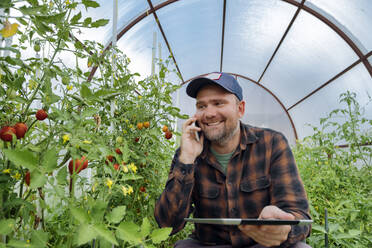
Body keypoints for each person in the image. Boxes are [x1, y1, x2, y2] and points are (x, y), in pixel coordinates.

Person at [154, 72, 311, 248]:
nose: (209, 113)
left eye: (218, 103)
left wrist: (283, 228)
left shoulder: (271, 144)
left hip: (262, 245)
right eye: (202, 106)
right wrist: (186, 160)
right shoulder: (187, 153)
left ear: (240, 109)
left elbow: (300, 217)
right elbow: (167, 224)